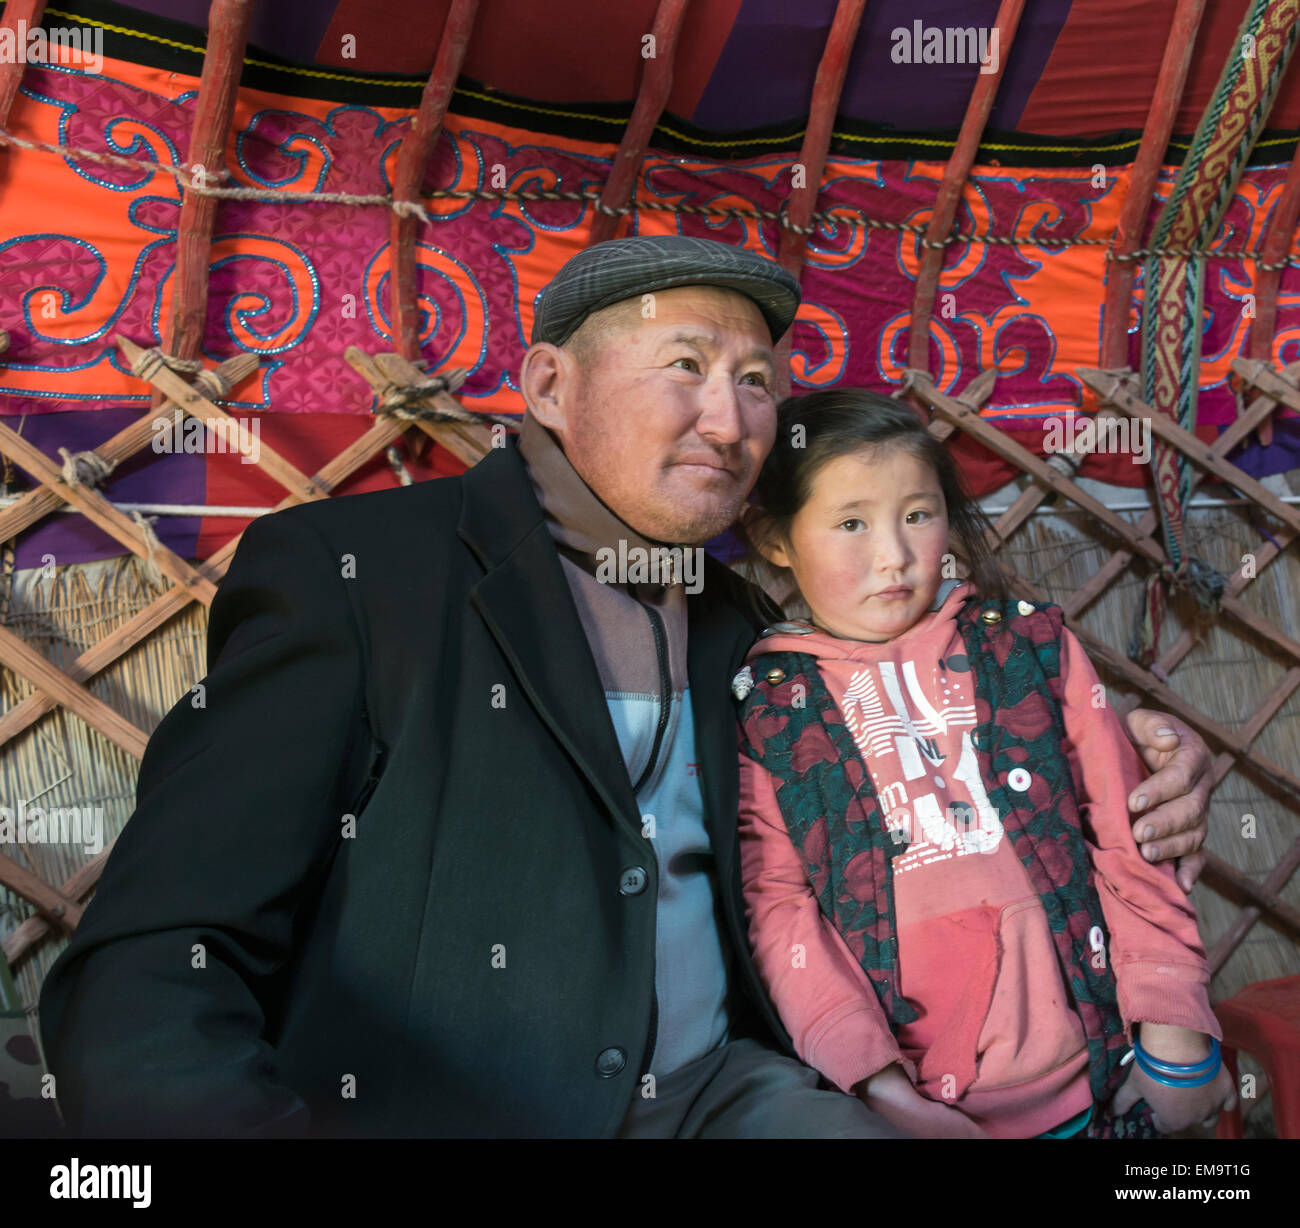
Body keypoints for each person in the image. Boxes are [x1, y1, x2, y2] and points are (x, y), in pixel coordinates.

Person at [37, 236, 1214, 1139]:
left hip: (731, 1097)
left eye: (758, 381)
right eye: (686, 368)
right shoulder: (360, 578)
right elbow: (156, 961)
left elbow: (958, 712)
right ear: (549, 384)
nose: (733, 417)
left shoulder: (748, 633)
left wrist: (1141, 747)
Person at [734, 388, 1236, 1139]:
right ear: (776, 540)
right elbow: (780, 912)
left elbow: (1132, 834)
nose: (894, 555)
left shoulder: (1028, 648)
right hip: (919, 1104)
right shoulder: (770, 710)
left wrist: (1175, 1040)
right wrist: (881, 1093)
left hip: (1108, 1073)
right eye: (850, 524)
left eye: (917, 513)